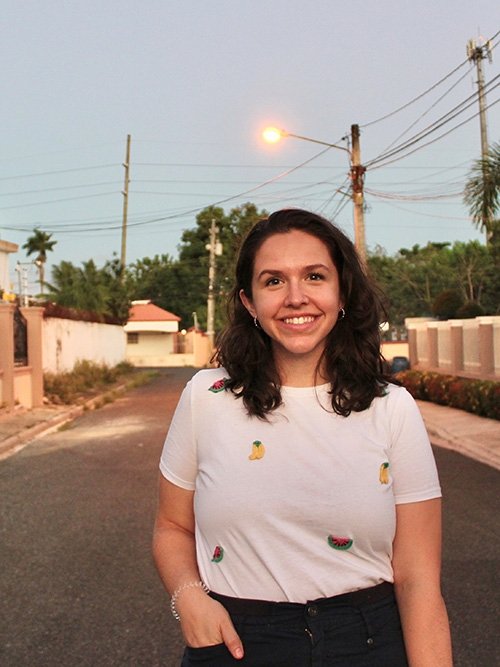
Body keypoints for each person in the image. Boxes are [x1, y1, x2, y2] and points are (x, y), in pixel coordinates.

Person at [153, 208, 453, 666]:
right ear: (250, 302)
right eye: (273, 281)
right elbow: (172, 528)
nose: (296, 297)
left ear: (341, 292)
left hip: (367, 644)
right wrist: (189, 597)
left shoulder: (392, 408)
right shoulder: (205, 397)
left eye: (315, 276)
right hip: (236, 642)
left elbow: (417, 578)